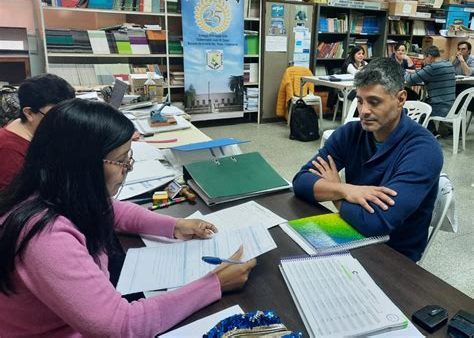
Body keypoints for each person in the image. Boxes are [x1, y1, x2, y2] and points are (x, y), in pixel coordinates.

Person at [0, 99, 256, 337]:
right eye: (122, 161)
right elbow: (120, 326)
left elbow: (113, 210)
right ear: (83, 164)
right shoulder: (46, 237)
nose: (128, 168)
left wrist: (175, 225)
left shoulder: (55, 190)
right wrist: (214, 284)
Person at [293, 57, 443, 262]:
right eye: (360, 100)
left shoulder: (423, 150)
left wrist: (334, 192)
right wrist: (346, 190)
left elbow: (375, 223)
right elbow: (301, 182)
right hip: (349, 232)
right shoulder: (351, 133)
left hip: (394, 256)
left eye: (374, 102)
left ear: (400, 99)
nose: (363, 111)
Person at [0, 73, 75, 190]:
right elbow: (16, 204)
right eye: (55, 115)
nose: (64, 122)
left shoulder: (35, 129)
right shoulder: (10, 152)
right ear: (29, 113)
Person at [405, 46, 456, 118]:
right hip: (452, 106)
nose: (424, 61)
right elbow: (426, 72)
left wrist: (403, 72)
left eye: (425, 58)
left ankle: (427, 128)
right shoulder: (449, 64)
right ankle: (431, 127)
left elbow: (409, 80)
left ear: (429, 57)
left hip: (439, 108)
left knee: (412, 112)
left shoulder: (432, 68)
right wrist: (414, 71)